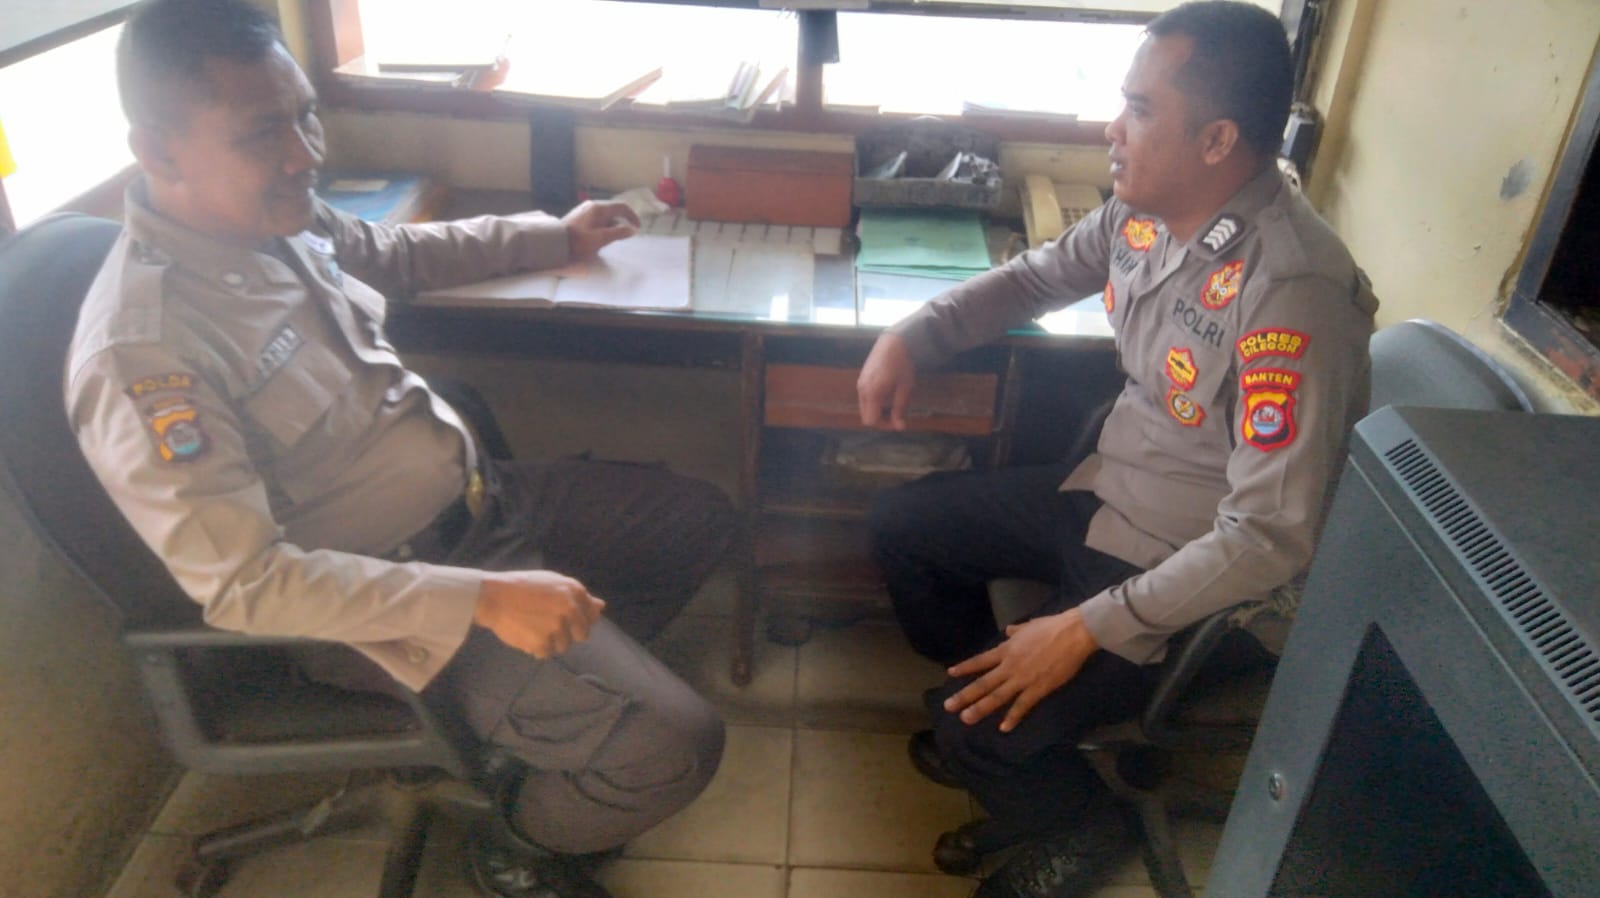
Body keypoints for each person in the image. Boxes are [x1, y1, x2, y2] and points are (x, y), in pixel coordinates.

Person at [64, 2, 734, 896]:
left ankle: (550, 725)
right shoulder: (147, 353)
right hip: (384, 609)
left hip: (484, 513)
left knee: (697, 520)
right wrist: (485, 601)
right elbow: (245, 585)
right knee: (679, 746)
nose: (305, 152)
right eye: (264, 134)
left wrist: (555, 235)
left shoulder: (274, 218)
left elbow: (392, 252)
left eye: (306, 115)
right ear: (159, 152)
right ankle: (523, 845)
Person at [855, 3, 1379, 896]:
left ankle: (1076, 818)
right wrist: (917, 333)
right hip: (1109, 492)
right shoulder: (1147, 215)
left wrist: (1085, 628)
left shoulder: (1293, 291)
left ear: (1216, 140)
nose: (1112, 129)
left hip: (1195, 564)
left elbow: (1269, 537)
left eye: (1138, 109)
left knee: (971, 729)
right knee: (903, 528)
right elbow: (1036, 277)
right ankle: (1008, 718)